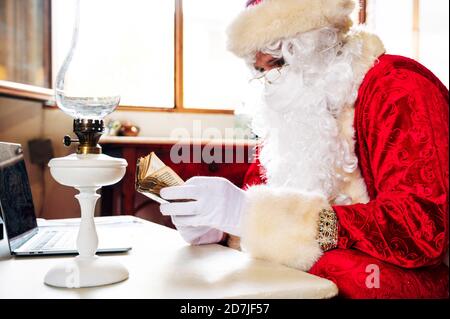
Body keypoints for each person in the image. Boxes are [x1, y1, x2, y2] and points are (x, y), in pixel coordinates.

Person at [160, 0, 449, 298]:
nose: (270, 81)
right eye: (259, 69)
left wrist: (250, 215)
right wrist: (219, 230)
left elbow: (421, 231)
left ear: (319, 44)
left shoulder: (400, 89)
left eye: (280, 62)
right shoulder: (294, 103)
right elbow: (258, 199)